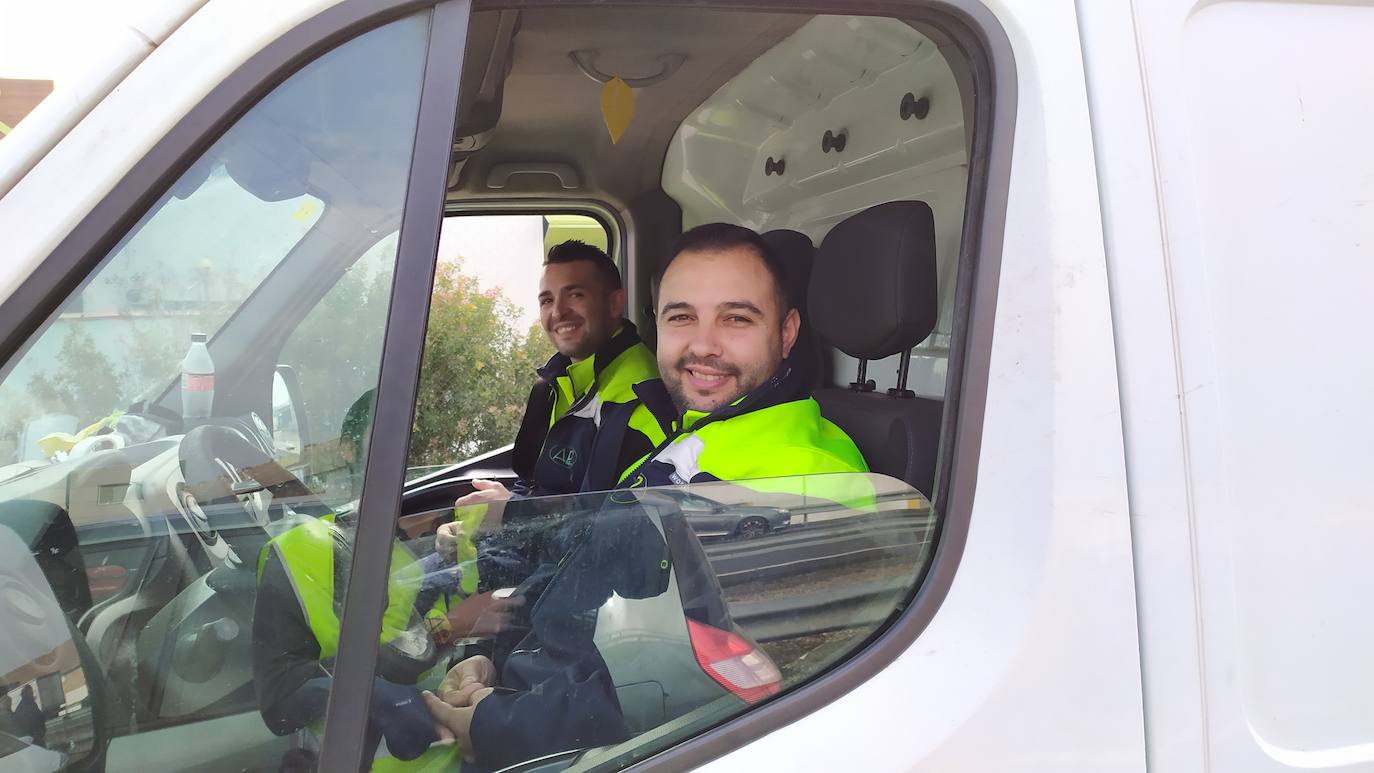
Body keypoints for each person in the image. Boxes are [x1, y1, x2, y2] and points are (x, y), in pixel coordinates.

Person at [422, 223, 869, 770]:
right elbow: (587, 576)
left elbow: (709, 696)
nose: (703, 344)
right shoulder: (690, 438)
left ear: (787, 331)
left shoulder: (804, 485)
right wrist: (494, 657)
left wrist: (500, 725)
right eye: (682, 317)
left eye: (736, 317)